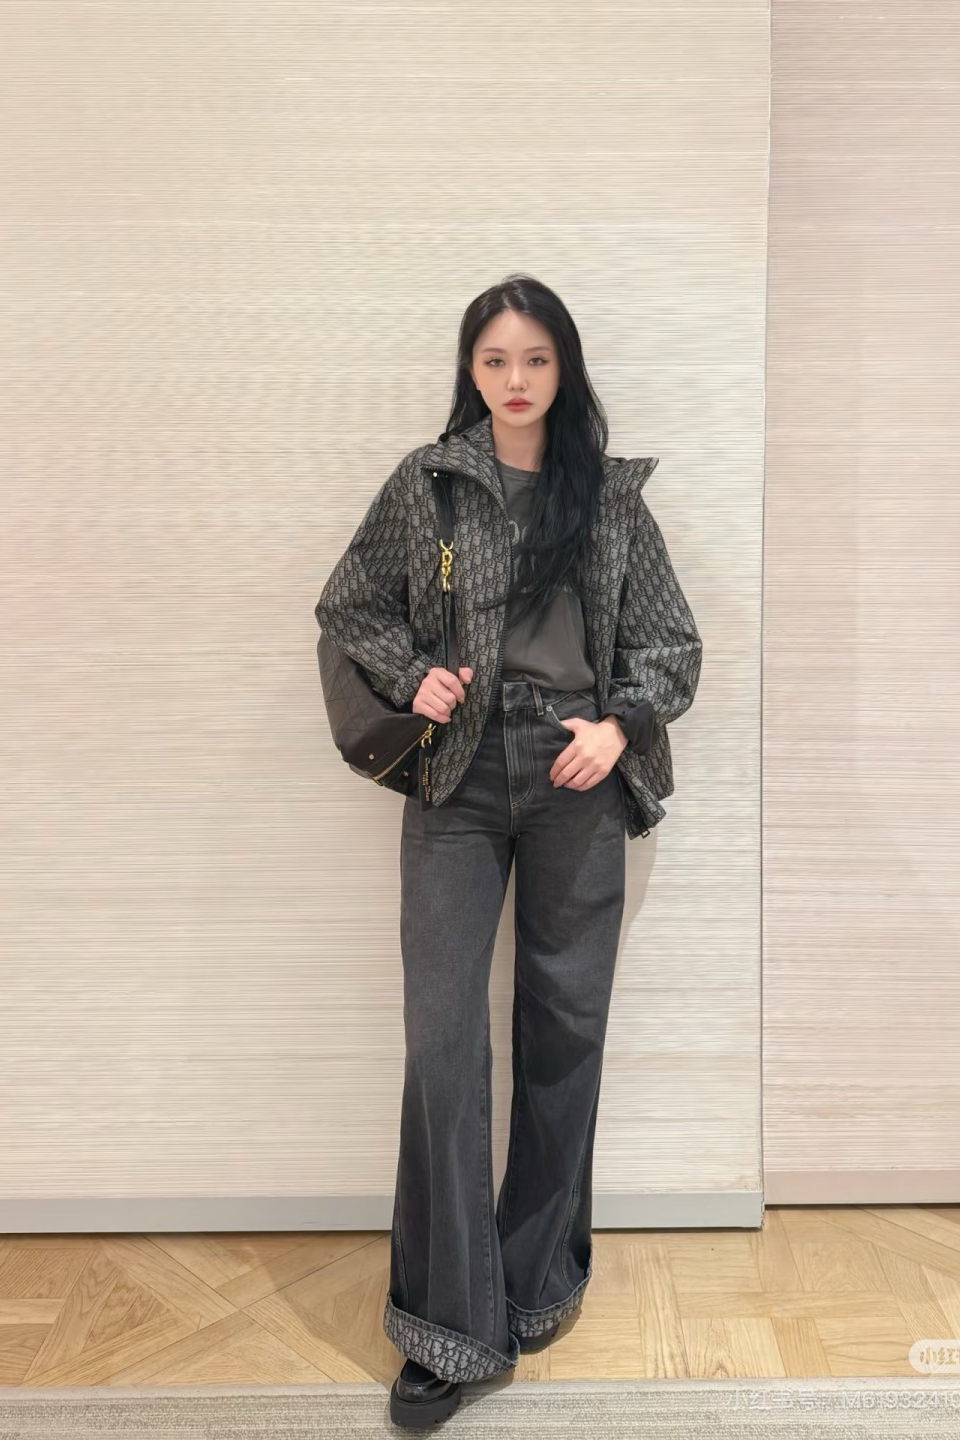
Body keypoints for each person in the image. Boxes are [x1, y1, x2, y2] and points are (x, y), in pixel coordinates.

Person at [315, 273, 702, 1428]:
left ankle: (535, 1284)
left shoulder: (609, 497)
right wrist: (416, 679)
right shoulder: (429, 485)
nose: (517, 380)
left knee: (563, 1031)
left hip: (577, 772)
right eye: (496, 360)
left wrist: (616, 725)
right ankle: (449, 1325)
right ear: (470, 371)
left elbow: (672, 646)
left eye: (536, 359)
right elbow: (350, 607)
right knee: (444, 1041)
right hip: (459, 777)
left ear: (563, 367)